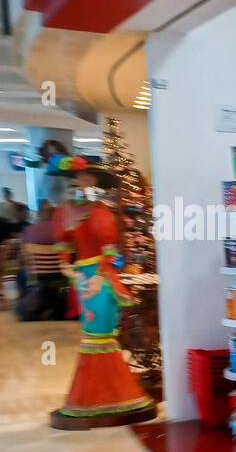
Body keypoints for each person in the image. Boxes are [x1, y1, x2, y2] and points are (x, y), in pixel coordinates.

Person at [49, 164, 156, 429]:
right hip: (84, 277)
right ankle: (103, 395)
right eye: (76, 182)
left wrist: (97, 274)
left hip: (100, 278)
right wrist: (68, 268)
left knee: (100, 335)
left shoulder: (101, 213)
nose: (80, 187)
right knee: (93, 335)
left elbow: (109, 252)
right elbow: (63, 245)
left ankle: (109, 395)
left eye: (86, 182)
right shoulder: (67, 214)